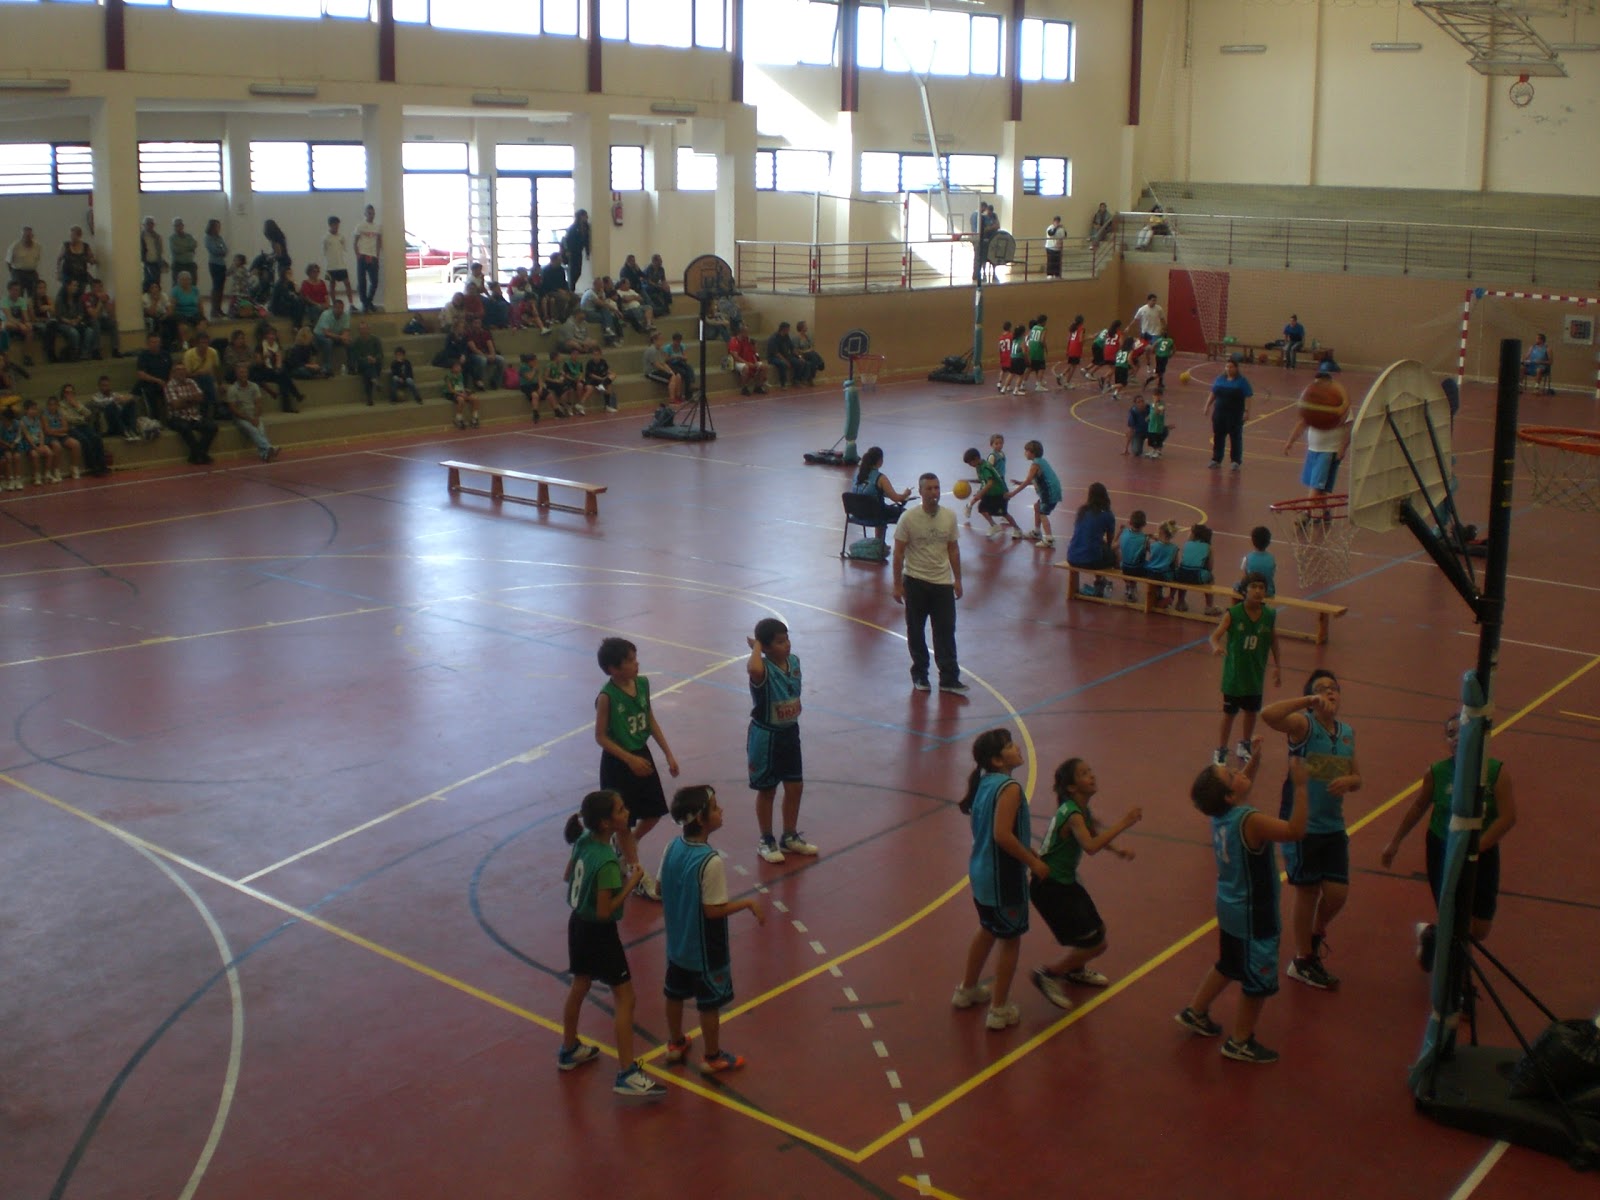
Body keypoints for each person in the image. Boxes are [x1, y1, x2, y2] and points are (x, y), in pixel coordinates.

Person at [1176, 745, 1309, 1064]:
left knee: (1230, 963)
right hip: (1254, 913)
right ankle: (1240, 1041)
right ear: (1229, 795)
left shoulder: (1221, 815)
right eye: (1231, 773)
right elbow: (1295, 830)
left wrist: (1255, 761)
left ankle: (1196, 1011)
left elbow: (1237, 788)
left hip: (1229, 905)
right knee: (1257, 980)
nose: (1239, 771)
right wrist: (1301, 786)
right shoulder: (1250, 820)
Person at [1381, 714, 1517, 972]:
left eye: (1461, 732)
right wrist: (1395, 842)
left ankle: (1430, 934)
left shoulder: (1495, 773)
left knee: (1480, 928)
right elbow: (1418, 806)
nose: (1456, 738)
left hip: (1482, 851)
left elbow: (1508, 817)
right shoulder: (1437, 772)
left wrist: (1478, 846)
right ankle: (1457, 980)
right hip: (1443, 848)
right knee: (1455, 918)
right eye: (1450, 734)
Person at [558, 789, 666, 1099]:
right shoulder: (606, 860)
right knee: (625, 998)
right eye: (620, 810)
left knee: (580, 984)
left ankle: (569, 1049)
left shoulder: (583, 841)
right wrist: (631, 883)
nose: (627, 811)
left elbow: (567, 876)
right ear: (606, 823)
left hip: (578, 924)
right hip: (599, 933)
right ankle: (627, 1073)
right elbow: (606, 911)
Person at [1260, 670, 1362, 992]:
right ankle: (1303, 960)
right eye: (1321, 689)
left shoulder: (1347, 733)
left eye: (1333, 688)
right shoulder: (1303, 726)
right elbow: (1268, 715)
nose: (1329, 692)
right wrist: (1308, 700)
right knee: (1307, 892)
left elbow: (1357, 777)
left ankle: (1316, 932)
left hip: (1333, 824)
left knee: (1337, 894)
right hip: (1303, 825)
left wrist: (1351, 781)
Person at [659, 784, 766, 1076]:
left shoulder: (671, 847)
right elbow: (713, 910)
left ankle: (675, 1043)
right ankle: (712, 1056)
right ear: (701, 818)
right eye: (716, 808)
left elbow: (659, 888)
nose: (721, 811)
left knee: (674, 993)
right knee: (708, 1004)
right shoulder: (710, 860)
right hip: (705, 949)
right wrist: (747, 904)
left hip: (677, 945)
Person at [953, 728, 1049, 1031]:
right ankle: (999, 1008)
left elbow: (996, 832)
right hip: (1003, 878)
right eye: (1009, 746)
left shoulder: (985, 783)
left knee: (987, 928)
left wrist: (1029, 850)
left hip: (981, 873)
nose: (1017, 747)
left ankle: (967, 989)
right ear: (997, 760)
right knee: (1010, 939)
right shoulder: (1009, 788)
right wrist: (1033, 862)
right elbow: (1002, 835)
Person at [1029, 758, 1141, 1009]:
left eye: (1090, 771)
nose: (1091, 775)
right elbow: (1090, 846)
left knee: (1096, 930)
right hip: (1051, 888)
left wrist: (1117, 851)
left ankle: (1074, 970)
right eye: (1083, 773)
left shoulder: (1079, 810)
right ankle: (1048, 974)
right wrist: (1125, 822)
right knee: (1097, 944)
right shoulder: (1073, 814)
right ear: (1071, 787)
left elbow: (1091, 832)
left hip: (1064, 883)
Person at [593, 635, 680, 901]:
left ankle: (626, 845)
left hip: (642, 755)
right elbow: (600, 737)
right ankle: (635, 873)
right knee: (622, 821)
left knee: (653, 813)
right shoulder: (607, 697)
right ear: (613, 669)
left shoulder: (642, 684)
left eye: (635, 658)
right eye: (630, 661)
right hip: (619, 762)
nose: (636, 664)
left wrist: (668, 753)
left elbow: (649, 718)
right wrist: (628, 759)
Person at [746, 618, 815, 864]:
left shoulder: (793, 662)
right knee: (767, 790)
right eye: (779, 642)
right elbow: (753, 669)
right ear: (765, 647)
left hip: (790, 733)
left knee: (795, 786)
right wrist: (756, 646)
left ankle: (789, 835)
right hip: (767, 736)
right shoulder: (762, 670)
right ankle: (766, 839)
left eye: (787, 639)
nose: (787, 645)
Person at [893, 473, 966, 695]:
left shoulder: (949, 517)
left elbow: (953, 549)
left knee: (945, 631)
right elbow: (898, 553)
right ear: (921, 491)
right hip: (915, 581)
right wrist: (897, 584)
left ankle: (949, 679)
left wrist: (957, 579)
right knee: (916, 630)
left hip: (942, 583)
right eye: (930, 489)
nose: (934, 493)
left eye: (937, 488)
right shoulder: (908, 518)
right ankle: (920, 675)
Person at [1208, 572, 1281, 767]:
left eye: (1261, 587)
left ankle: (1245, 743)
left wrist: (1278, 666)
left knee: (1251, 712)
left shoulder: (1269, 615)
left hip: (1255, 674)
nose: (1258, 591)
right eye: (1253, 587)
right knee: (1229, 714)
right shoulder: (1233, 614)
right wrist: (1216, 646)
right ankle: (1221, 749)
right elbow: (1214, 636)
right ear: (1244, 590)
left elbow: (1274, 640)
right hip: (1234, 676)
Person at [1283, 370, 1352, 509]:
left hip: (1329, 451)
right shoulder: (1313, 402)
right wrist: (1290, 441)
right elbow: (1302, 423)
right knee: (1319, 486)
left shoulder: (1339, 403)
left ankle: (1307, 513)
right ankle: (1325, 512)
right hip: (1313, 449)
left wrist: (1342, 448)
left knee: (1316, 486)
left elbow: (1349, 427)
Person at [1065, 481, 1117, 597]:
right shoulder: (1107, 514)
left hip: (1072, 556)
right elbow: (1110, 540)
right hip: (1091, 561)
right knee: (1109, 553)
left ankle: (1100, 579)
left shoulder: (1082, 511)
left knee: (1096, 546)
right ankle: (1099, 582)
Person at [1007, 439, 1062, 546]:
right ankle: (1037, 532)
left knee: (1042, 513)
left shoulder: (1035, 465)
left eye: (1026, 451)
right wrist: (1019, 482)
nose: (1025, 453)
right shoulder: (1041, 461)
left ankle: (1049, 539)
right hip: (1052, 491)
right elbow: (1037, 480)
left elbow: (1028, 481)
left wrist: (1013, 493)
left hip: (1049, 493)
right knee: (1037, 507)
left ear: (1032, 453)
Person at [851, 445, 910, 543]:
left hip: (857, 513)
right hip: (874, 515)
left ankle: (878, 543)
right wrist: (905, 494)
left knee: (878, 508)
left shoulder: (857, 474)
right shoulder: (881, 478)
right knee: (905, 514)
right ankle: (898, 544)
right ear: (880, 461)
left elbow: (867, 491)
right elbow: (896, 498)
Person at [963, 445, 1023, 541]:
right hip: (990, 493)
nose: (970, 465)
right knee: (981, 509)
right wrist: (968, 480)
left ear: (976, 458)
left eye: (970, 463)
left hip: (1000, 493)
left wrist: (980, 493)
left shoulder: (985, 467)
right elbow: (983, 480)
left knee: (1004, 514)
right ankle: (994, 525)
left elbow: (990, 483)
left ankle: (1017, 529)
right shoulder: (979, 466)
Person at [1203, 358, 1253, 470]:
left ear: (1236, 368)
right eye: (1227, 367)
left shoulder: (1242, 381)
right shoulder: (1219, 379)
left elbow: (1248, 396)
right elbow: (1213, 393)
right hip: (1219, 413)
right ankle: (1216, 459)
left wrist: (1246, 411)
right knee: (1218, 436)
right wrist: (1207, 406)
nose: (1228, 369)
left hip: (1235, 415)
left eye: (1231, 367)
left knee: (1235, 437)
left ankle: (1235, 461)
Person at [163, 362, 217, 465]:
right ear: (173, 373)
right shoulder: (169, 385)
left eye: (183, 370)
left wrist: (184, 400)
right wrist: (192, 399)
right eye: (178, 370)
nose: (181, 372)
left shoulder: (191, 382)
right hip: (177, 417)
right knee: (185, 427)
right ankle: (201, 454)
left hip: (194, 416)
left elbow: (200, 398)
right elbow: (175, 405)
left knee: (212, 427)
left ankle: (196, 454)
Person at [225, 361, 279, 462]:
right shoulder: (232, 389)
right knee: (253, 430)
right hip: (241, 418)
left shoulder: (254, 386)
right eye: (241, 373)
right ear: (237, 375)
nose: (243, 375)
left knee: (261, 430)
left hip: (254, 415)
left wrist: (256, 417)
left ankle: (265, 454)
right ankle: (269, 447)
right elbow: (233, 409)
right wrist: (249, 419)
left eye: (245, 372)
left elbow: (258, 403)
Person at [1173, 523, 1220, 615]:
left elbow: (1184, 561)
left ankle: (1180, 602)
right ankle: (1209, 606)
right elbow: (1210, 567)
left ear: (1194, 534)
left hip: (1181, 575)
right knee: (1210, 578)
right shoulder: (1208, 547)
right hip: (1196, 576)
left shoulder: (1186, 544)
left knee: (1183, 573)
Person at [354, 204, 382, 312]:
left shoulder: (377, 227)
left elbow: (379, 241)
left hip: (373, 256)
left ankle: (368, 302)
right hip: (362, 255)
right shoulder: (360, 226)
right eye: (369, 213)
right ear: (365, 214)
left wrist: (377, 254)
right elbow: (355, 241)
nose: (371, 215)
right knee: (362, 282)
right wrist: (358, 254)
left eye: (373, 213)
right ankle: (365, 304)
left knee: (374, 281)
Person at [323, 216, 355, 309]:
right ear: (330, 225)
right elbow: (324, 252)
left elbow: (344, 250)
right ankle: (334, 305)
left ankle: (351, 304)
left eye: (337, 224)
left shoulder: (341, 237)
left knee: (347, 284)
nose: (336, 226)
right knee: (332, 285)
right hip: (330, 266)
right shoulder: (326, 238)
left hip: (341, 265)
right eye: (334, 224)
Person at [764, 321, 809, 387]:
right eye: (788, 329)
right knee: (782, 364)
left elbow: (792, 348)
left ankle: (796, 380)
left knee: (799, 362)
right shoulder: (774, 338)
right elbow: (776, 353)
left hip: (786, 355)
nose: (789, 331)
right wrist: (785, 361)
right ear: (783, 329)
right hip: (773, 357)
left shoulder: (786, 336)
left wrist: (799, 357)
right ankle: (783, 383)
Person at [1239, 526, 1278, 598]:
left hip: (1251, 591)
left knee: (1237, 587)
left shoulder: (1247, 558)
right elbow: (1272, 574)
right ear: (1268, 542)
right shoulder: (1272, 558)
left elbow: (1244, 578)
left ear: (1252, 541)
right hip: (1268, 592)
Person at [728, 328, 768, 394]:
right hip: (736, 362)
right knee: (745, 367)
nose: (748, 334)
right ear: (741, 332)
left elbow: (754, 352)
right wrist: (748, 363)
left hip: (748, 360)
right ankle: (744, 388)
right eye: (746, 332)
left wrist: (756, 360)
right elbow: (736, 357)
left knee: (764, 366)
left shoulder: (747, 340)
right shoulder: (733, 341)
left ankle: (758, 387)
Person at [57, 225, 97, 291]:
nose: (72, 237)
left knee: (80, 291)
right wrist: (58, 272)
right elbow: (59, 259)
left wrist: (92, 260)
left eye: (73, 235)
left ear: (79, 236)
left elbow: (91, 258)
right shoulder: (66, 246)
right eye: (71, 235)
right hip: (68, 275)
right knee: (67, 292)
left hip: (81, 276)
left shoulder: (86, 246)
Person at [6, 225, 43, 293]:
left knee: (34, 293)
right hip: (18, 272)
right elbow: (8, 262)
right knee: (18, 293)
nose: (26, 238)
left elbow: (37, 259)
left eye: (28, 236)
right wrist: (13, 273)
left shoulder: (38, 246)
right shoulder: (14, 246)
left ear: (32, 236)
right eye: (24, 236)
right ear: (22, 236)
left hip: (32, 272)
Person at [444, 357, 478, 429]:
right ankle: (458, 419)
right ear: (451, 368)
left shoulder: (460, 374)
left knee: (475, 399)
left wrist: (465, 391)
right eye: (456, 367)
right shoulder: (448, 376)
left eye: (459, 366)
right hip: (451, 393)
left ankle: (475, 418)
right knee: (461, 400)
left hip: (460, 392)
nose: (459, 368)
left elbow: (460, 386)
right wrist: (461, 394)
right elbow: (451, 390)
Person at [561, 209, 591, 292]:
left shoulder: (586, 227)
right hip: (572, 252)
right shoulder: (573, 228)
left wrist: (587, 252)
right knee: (573, 272)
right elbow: (566, 240)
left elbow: (587, 240)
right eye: (585, 216)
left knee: (578, 271)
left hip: (579, 251)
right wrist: (567, 251)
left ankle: (572, 287)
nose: (587, 217)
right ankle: (571, 289)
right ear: (581, 216)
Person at [168, 218, 198, 290]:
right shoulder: (172, 238)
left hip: (190, 264)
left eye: (179, 225)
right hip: (178, 264)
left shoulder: (189, 236)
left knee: (193, 283)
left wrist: (182, 247)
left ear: (183, 226)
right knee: (176, 285)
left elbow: (194, 245)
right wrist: (188, 248)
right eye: (176, 225)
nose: (178, 227)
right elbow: (176, 250)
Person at [1144, 385, 1170, 459]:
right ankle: (1153, 450)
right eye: (1155, 395)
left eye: (1158, 395)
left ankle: (1158, 451)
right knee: (1151, 439)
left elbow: (1157, 412)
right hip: (1151, 426)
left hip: (1157, 426)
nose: (1156, 397)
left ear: (1161, 396)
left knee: (1157, 439)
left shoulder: (1162, 404)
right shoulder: (1152, 404)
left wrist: (1155, 404)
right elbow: (1151, 412)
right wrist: (1148, 417)